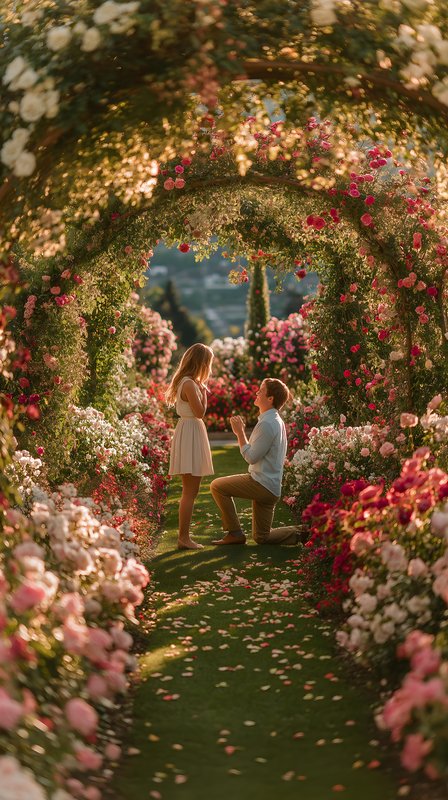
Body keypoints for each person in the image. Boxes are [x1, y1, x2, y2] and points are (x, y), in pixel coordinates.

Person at [210, 378, 300, 546]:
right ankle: (304, 532)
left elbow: (251, 457)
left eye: (261, 391)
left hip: (261, 484)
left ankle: (235, 533)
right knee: (262, 538)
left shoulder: (267, 423)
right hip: (271, 488)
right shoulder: (275, 420)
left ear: (270, 398)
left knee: (217, 486)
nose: (257, 393)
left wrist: (239, 433)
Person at [166, 343, 214, 550]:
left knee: (190, 491)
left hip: (191, 431)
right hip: (190, 432)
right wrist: (204, 393)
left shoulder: (189, 382)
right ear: (202, 363)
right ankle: (183, 538)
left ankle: (184, 537)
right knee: (189, 492)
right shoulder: (189, 384)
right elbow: (200, 412)